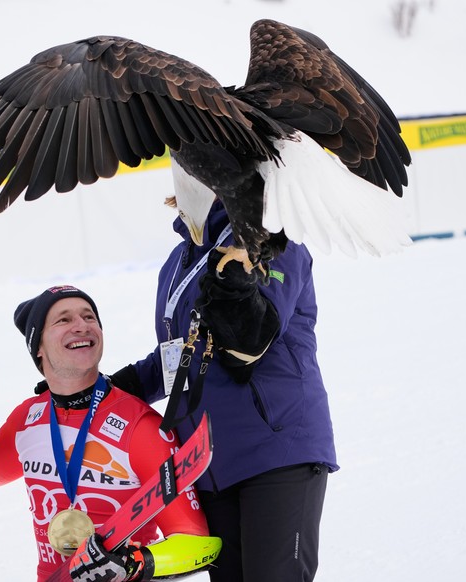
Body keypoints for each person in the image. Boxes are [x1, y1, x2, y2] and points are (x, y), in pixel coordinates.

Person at [0, 285, 221, 582]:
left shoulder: (140, 426)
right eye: (63, 320)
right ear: (38, 347)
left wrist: (136, 562)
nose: (81, 325)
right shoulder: (27, 418)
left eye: (89, 317)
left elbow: (199, 545)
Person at [109, 199, 337, 582]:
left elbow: (252, 340)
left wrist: (236, 281)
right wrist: (104, 393)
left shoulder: (270, 237)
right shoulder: (176, 263)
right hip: (209, 464)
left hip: (276, 450)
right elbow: (178, 356)